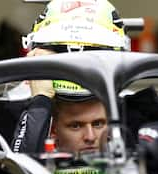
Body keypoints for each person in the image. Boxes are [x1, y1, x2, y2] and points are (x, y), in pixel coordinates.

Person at [10, 0, 130, 154]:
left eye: (90, 52)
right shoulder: (8, 105)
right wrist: (40, 101)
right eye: (60, 50)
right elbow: (18, 171)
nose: (75, 62)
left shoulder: (137, 105)